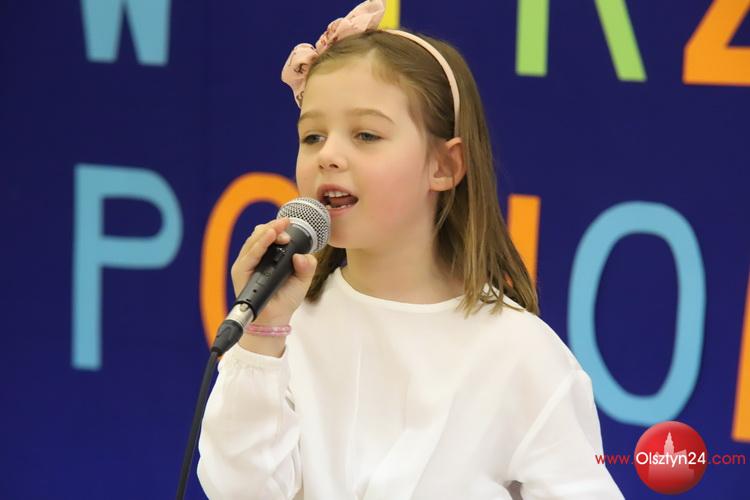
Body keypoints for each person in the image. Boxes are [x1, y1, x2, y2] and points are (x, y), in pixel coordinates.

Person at [196, 1, 624, 498]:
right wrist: (262, 335)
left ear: (444, 166)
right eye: (312, 136)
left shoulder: (521, 354)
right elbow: (238, 489)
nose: (328, 155)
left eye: (366, 135)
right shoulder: (289, 331)